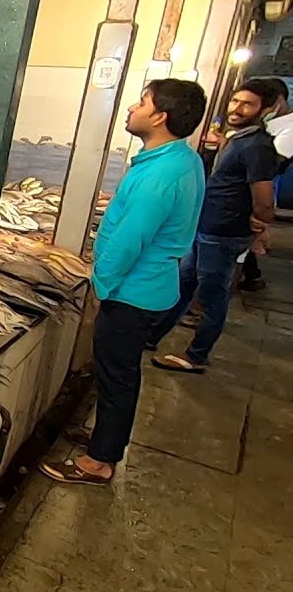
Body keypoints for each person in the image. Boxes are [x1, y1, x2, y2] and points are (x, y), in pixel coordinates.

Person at [41, 79, 207, 485]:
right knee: (116, 372)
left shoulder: (162, 174)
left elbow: (131, 240)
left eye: (142, 102)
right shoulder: (178, 159)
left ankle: (99, 462)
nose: (132, 107)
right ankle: (106, 439)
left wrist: (101, 285)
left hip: (133, 292)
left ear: (160, 116)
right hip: (147, 286)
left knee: (117, 376)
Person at [148, 79, 281, 374]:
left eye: (248, 104)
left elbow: (263, 196)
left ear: (265, 109)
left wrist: (260, 224)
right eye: (235, 101)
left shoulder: (257, 145)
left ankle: (196, 356)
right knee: (184, 283)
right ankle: (152, 335)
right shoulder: (239, 139)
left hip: (223, 232)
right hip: (208, 227)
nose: (237, 108)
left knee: (213, 296)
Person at [237, 76, 292, 291]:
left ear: (277, 102)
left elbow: (269, 165)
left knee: (243, 243)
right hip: (247, 190)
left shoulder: (289, 129)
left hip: (260, 190)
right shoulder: (265, 126)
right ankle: (251, 276)